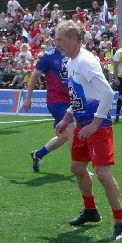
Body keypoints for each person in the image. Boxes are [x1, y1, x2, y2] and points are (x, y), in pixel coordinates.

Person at [54, 20, 122, 240]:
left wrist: (94, 124)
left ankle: (120, 222)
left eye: (60, 40)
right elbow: (79, 95)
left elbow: (107, 93)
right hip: (82, 125)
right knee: (77, 167)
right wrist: (67, 117)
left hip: (98, 126)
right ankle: (91, 211)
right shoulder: (70, 62)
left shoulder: (85, 61)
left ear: (73, 40)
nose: (57, 44)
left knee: (103, 174)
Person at [24, 44, 72, 172]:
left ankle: (38, 154)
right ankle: (79, 166)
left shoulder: (72, 54)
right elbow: (34, 77)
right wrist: (28, 98)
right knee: (74, 128)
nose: (60, 41)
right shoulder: (49, 57)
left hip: (71, 101)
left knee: (64, 136)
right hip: (56, 101)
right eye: (58, 39)